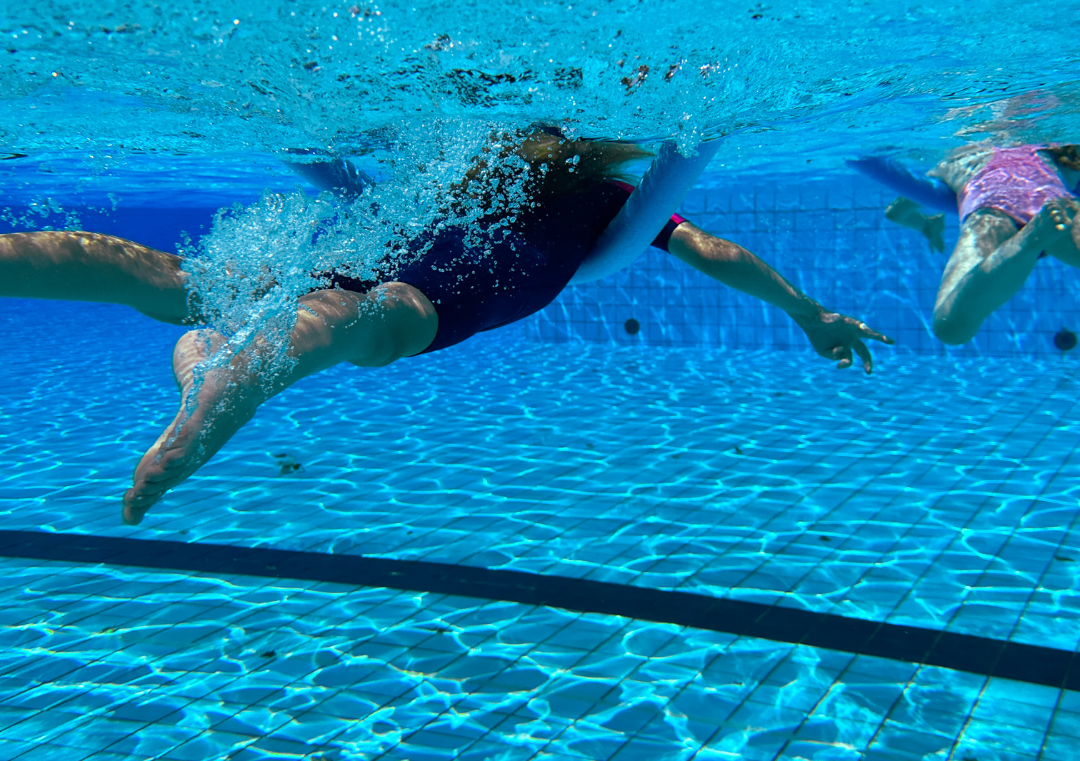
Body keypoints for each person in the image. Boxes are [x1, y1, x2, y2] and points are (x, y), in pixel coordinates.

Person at [0, 129, 892, 525]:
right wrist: (807, 314)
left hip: (369, 269)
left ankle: (211, 379)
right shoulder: (592, 192)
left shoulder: (481, 165)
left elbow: (712, 250)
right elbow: (714, 250)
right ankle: (211, 392)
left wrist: (809, 312)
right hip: (413, 296)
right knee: (343, 318)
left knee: (189, 285)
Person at [875, 141, 1080, 344]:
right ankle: (1032, 240)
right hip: (1055, 201)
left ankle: (1030, 241)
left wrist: (926, 225)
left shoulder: (957, 158)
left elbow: (895, 212)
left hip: (993, 205)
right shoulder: (1048, 150)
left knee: (950, 328)